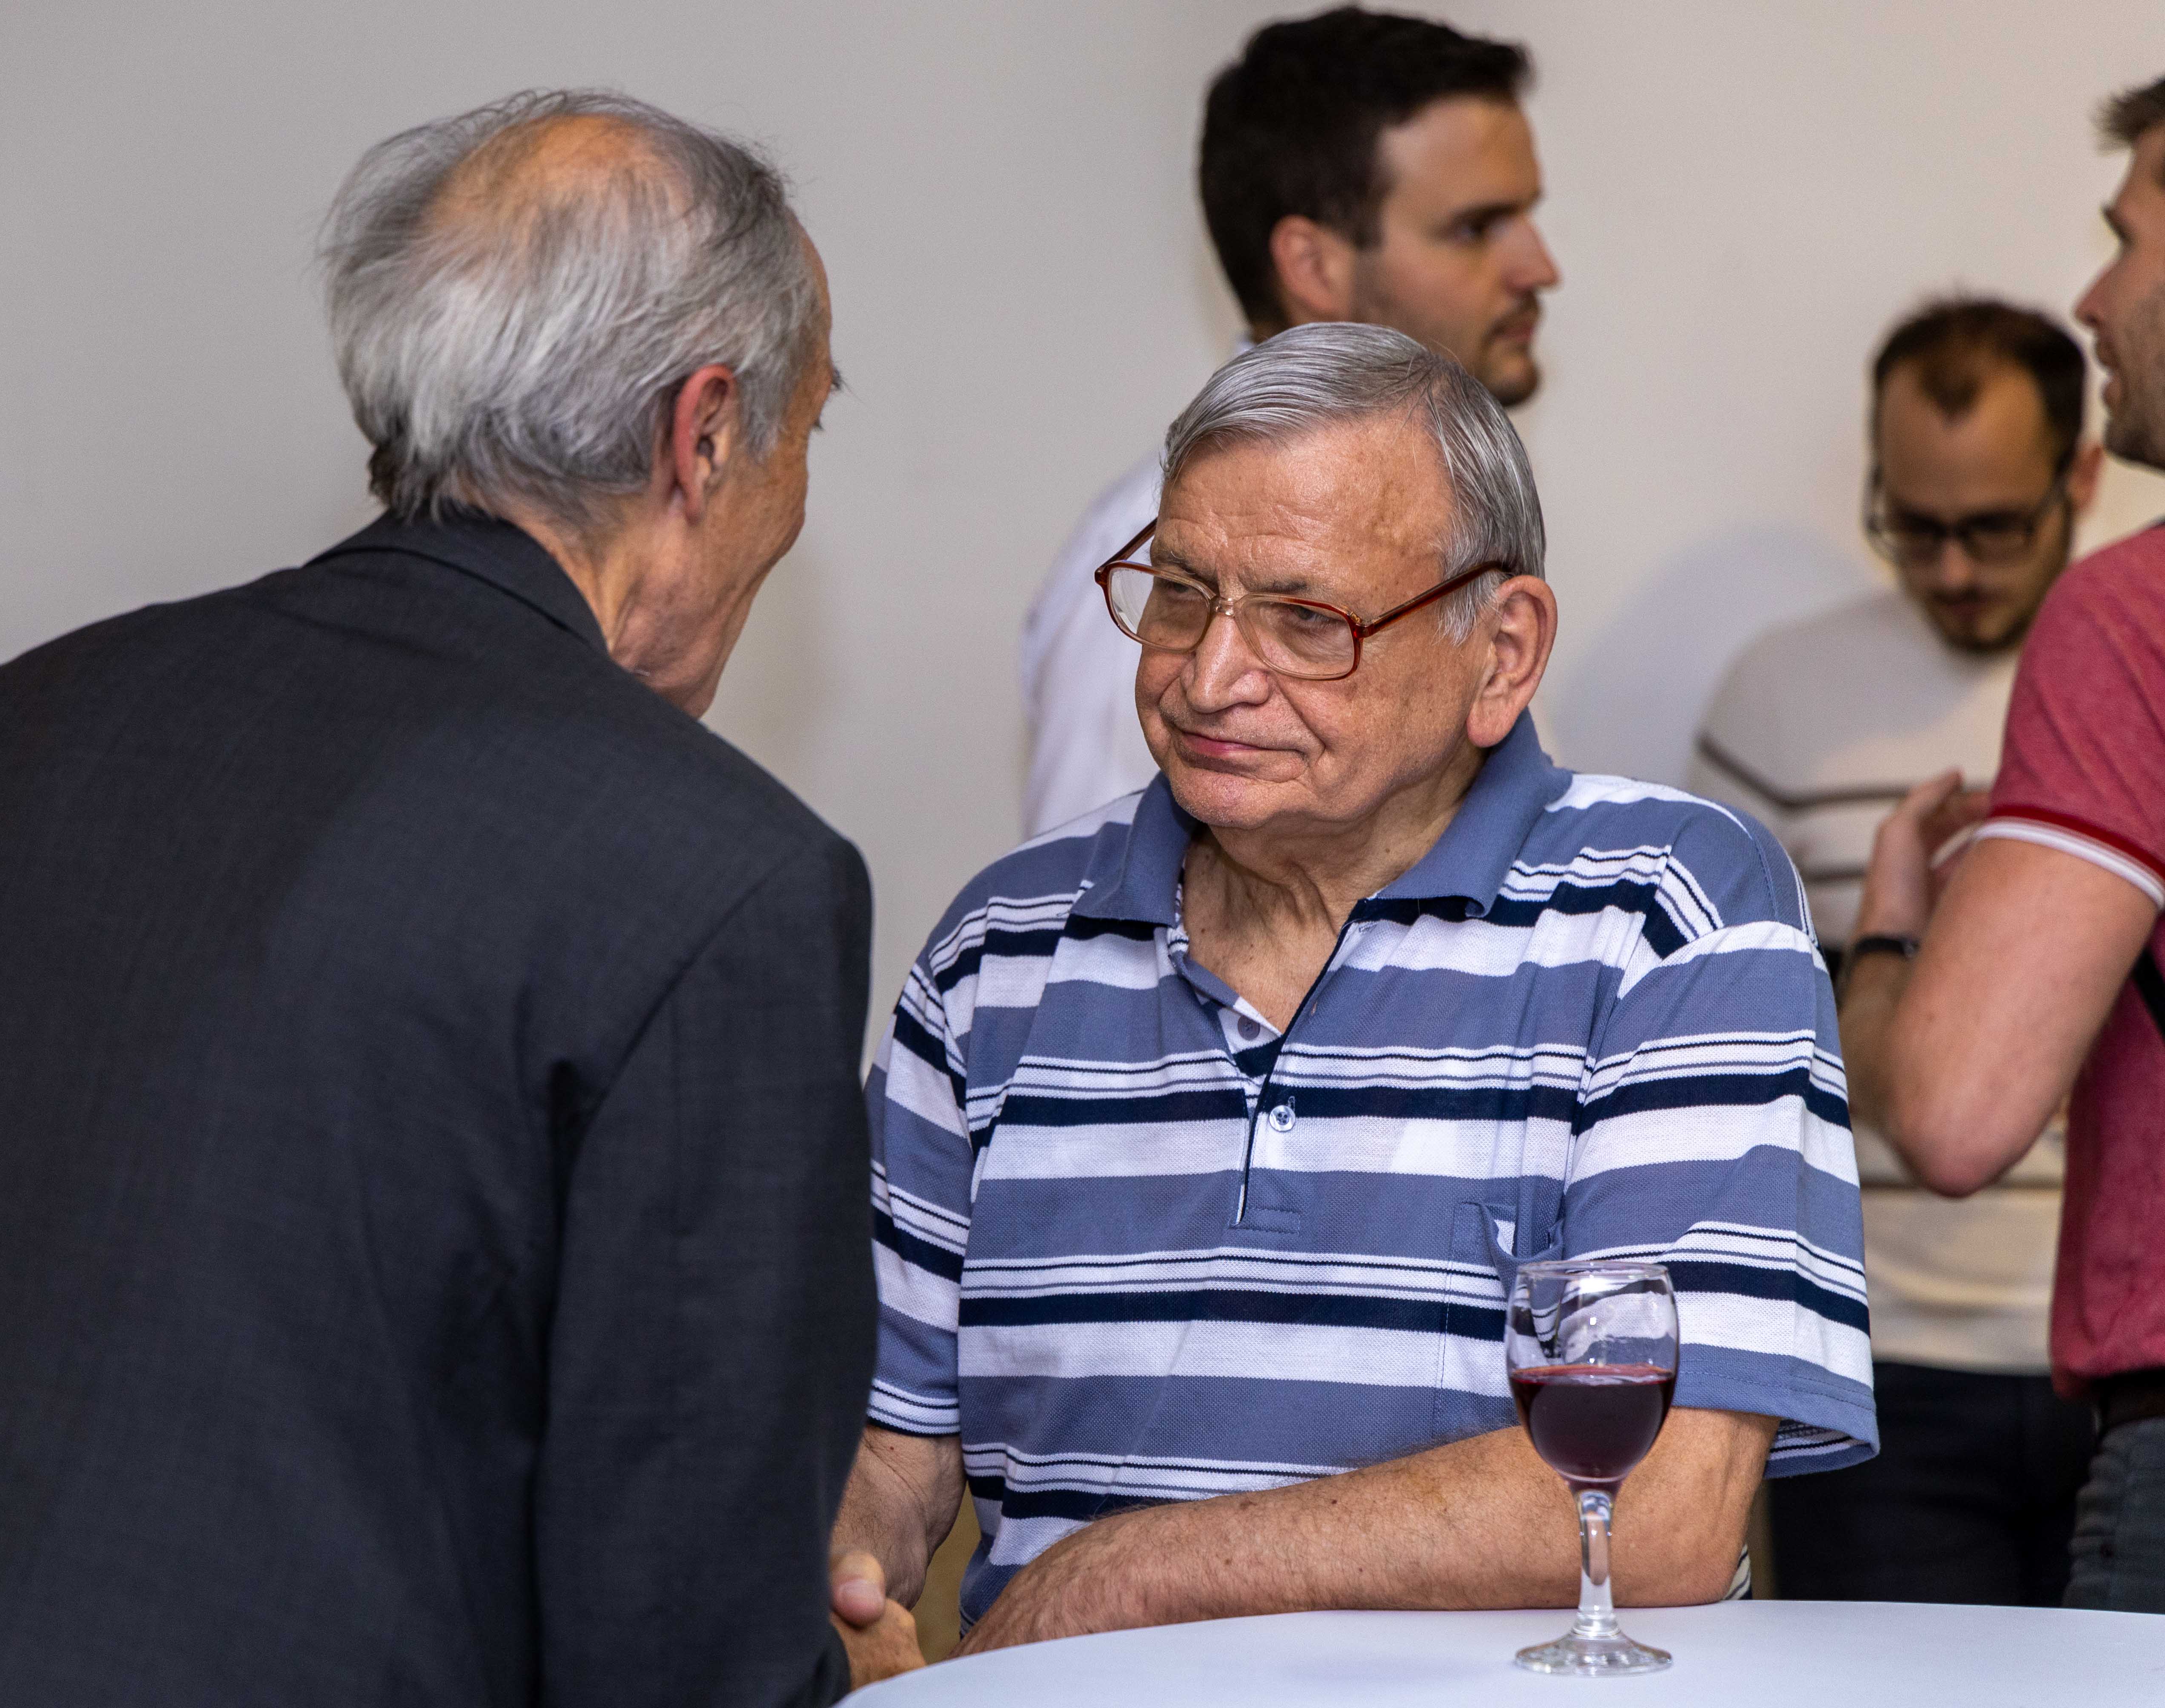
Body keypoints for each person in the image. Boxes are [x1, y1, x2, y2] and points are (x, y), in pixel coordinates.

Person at [0, 91, 915, 1704]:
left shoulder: (8, 732)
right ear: (702, 433)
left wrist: (36, 1518)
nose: (796, 487)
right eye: (806, 429)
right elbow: (680, 1647)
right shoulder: (726, 880)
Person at [836, 323, 1874, 1656]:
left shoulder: (1670, 914)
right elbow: (890, 1444)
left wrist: (1125, 1582)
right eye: (1180, 594)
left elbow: (1656, 1508)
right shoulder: (999, 952)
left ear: (1502, 653)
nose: (1209, 676)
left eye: (1305, 620)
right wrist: (839, 1578)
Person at [1690, 299, 2103, 1605]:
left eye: (1998, 527)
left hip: (2123, 1357)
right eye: (1916, 527)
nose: (1956, 569)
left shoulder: (2132, 682)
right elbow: (1717, 1048)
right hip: (1875, 1365)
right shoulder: (1779, 700)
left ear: (2083, 478)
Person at [1841, 73, 2165, 1614]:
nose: (2094, 298)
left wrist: (1892, 939)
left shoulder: (2132, 621)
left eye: (2130, 239)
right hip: (1908, 1374)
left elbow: (1959, 1115)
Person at [1018, 6, 1559, 835]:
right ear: (1312, 265)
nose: (1539, 267)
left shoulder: (1450, 510)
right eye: (1474, 228)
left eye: (1307, 617)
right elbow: (1104, 897)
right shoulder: (1161, 554)